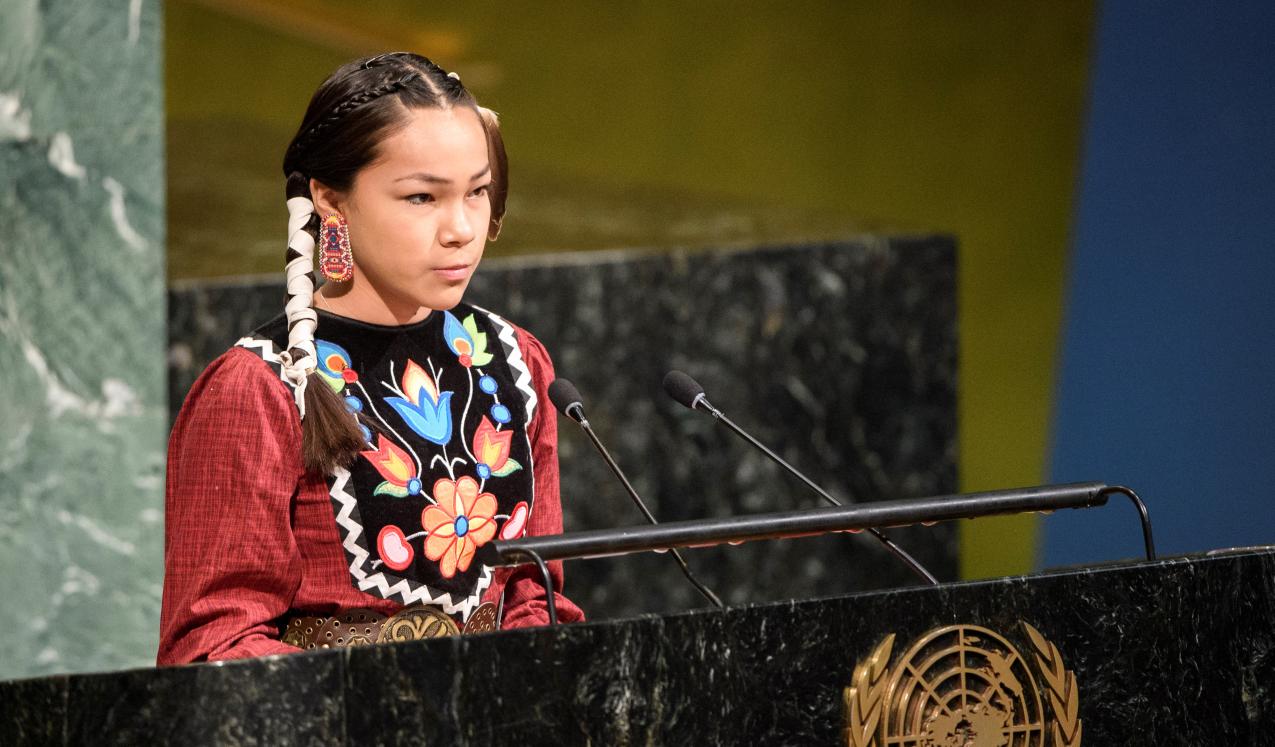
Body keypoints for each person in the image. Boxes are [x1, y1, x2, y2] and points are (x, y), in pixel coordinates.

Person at [158, 52, 583, 664]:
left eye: (478, 192)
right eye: (421, 198)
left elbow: (534, 597)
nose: (460, 227)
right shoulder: (260, 389)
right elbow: (213, 645)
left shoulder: (515, 361)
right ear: (331, 201)